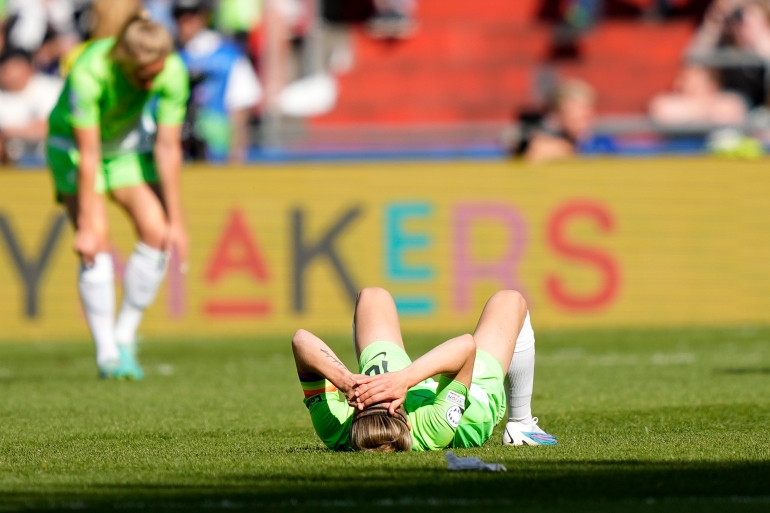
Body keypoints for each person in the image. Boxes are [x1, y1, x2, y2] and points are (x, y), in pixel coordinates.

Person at [46, 13, 190, 379]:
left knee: (158, 234)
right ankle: (107, 354)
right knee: (95, 239)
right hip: (74, 150)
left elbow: (168, 146)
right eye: (144, 76)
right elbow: (89, 154)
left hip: (124, 150)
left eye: (157, 74)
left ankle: (123, 337)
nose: (152, 82)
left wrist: (177, 220)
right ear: (125, 59)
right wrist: (84, 224)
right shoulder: (88, 72)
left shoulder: (172, 70)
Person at [292, 287, 557, 452]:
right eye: (382, 401)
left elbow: (301, 340)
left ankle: (386, 381)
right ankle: (520, 425)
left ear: (353, 412)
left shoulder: (335, 428)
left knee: (373, 296)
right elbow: (465, 348)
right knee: (509, 300)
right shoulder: (435, 427)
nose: (378, 396)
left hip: (388, 382)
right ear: (408, 421)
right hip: (468, 409)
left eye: (372, 399)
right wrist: (404, 379)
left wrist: (348, 381)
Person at [173, 0, 262, 163]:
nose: (184, 22)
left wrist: (236, 157)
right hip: (179, 153)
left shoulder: (229, 55)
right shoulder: (171, 56)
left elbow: (240, 109)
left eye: (191, 15)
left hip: (217, 153)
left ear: (204, 16)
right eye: (178, 15)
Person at [0, 48, 62, 161]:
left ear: (28, 67)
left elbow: (51, 128)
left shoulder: (51, 88)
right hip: (10, 163)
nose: (6, 72)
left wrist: (9, 132)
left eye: (14, 66)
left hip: (51, 159)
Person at [649, 64, 748, 126]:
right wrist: (704, 108)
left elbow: (733, 111)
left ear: (713, 85)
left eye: (688, 78)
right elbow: (662, 110)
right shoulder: (665, 103)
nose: (680, 83)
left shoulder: (731, 100)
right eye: (683, 78)